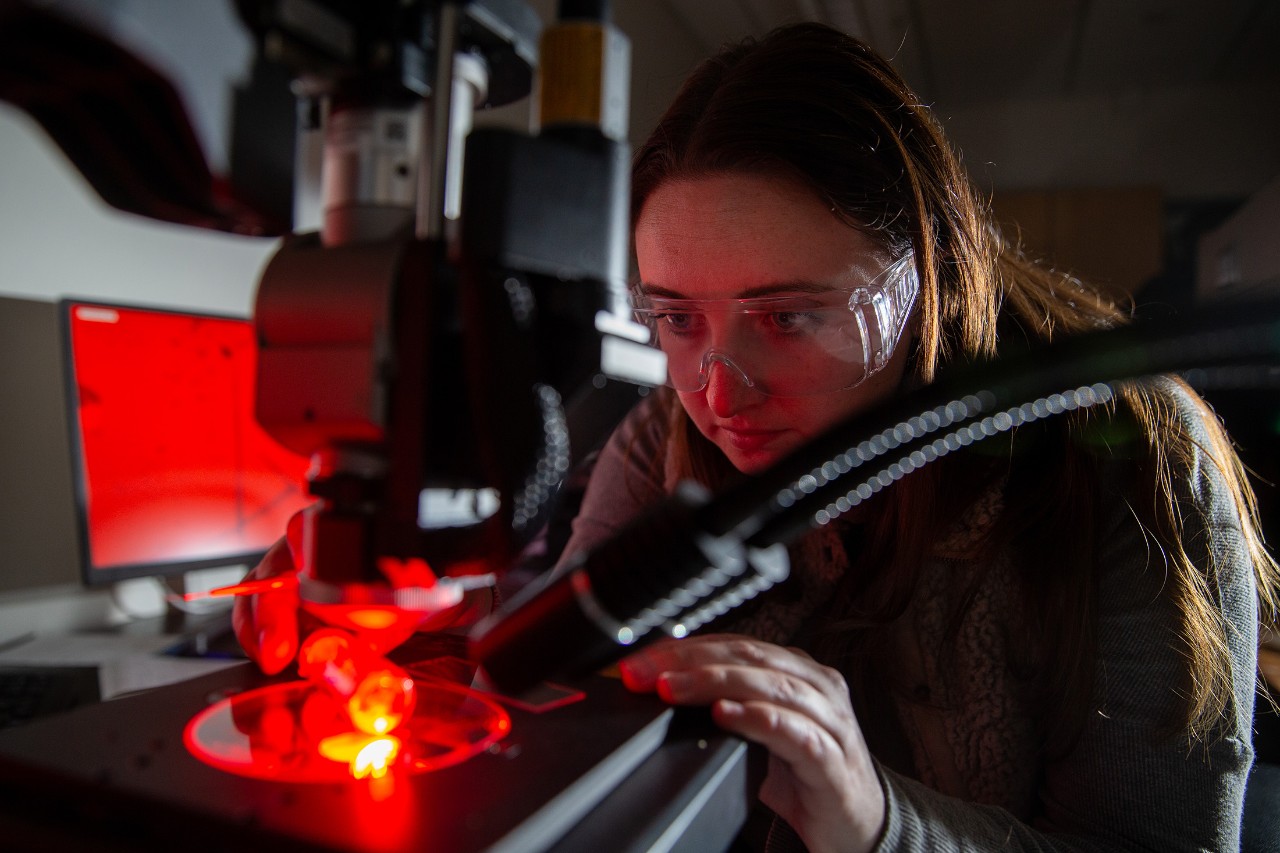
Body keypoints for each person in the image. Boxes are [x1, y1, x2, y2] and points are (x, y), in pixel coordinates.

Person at [236, 22, 1279, 852]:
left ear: (924, 277)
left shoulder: (1131, 458)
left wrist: (877, 822)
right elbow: (564, 683)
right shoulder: (666, 439)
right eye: (675, 319)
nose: (717, 390)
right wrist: (406, 637)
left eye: (786, 316)